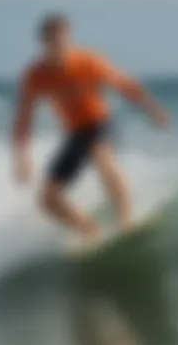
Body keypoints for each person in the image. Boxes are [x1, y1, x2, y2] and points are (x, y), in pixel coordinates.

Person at [12, 13, 169, 240]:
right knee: (47, 200)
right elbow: (24, 118)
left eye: (64, 39)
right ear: (43, 42)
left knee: (102, 158)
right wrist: (21, 157)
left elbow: (125, 85)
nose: (60, 46)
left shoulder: (88, 62)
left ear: (70, 38)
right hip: (75, 133)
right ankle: (90, 231)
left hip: (99, 123)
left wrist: (153, 109)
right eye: (54, 40)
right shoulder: (35, 76)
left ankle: (126, 222)